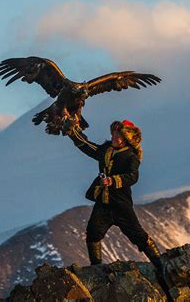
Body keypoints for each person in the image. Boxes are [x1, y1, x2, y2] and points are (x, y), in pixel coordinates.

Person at [65, 119, 166, 281]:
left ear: (126, 138)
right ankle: (96, 269)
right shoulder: (105, 150)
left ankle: (161, 266)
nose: (114, 137)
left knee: (138, 235)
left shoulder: (131, 157)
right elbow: (88, 147)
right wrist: (72, 133)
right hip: (103, 203)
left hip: (121, 205)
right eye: (114, 133)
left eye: (118, 135)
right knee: (93, 233)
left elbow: (133, 177)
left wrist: (113, 181)